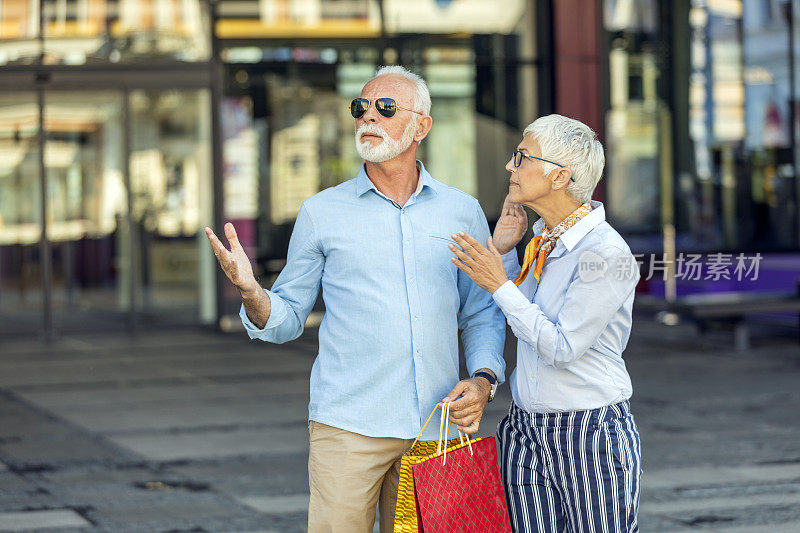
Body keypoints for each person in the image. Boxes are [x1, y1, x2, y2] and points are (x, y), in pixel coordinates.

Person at [204, 66, 506, 533]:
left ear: (420, 126)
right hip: (348, 429)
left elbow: (482, 310)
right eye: (360, 108)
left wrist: (485, 378)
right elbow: (284, 319)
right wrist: (251, 292)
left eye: (385, 108)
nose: (368, 117)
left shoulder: (461, 210)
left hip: (438, 427)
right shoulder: (321, 212)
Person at [447, 114, 642, 532]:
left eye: (522, 157)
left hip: (588, 430)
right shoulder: (543, 241)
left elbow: (561, 346)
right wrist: (502, 251)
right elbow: (517, 318)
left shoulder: (605, 253)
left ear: (559, 176)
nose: (509, 167)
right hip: (524, 428)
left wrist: (499, 281)